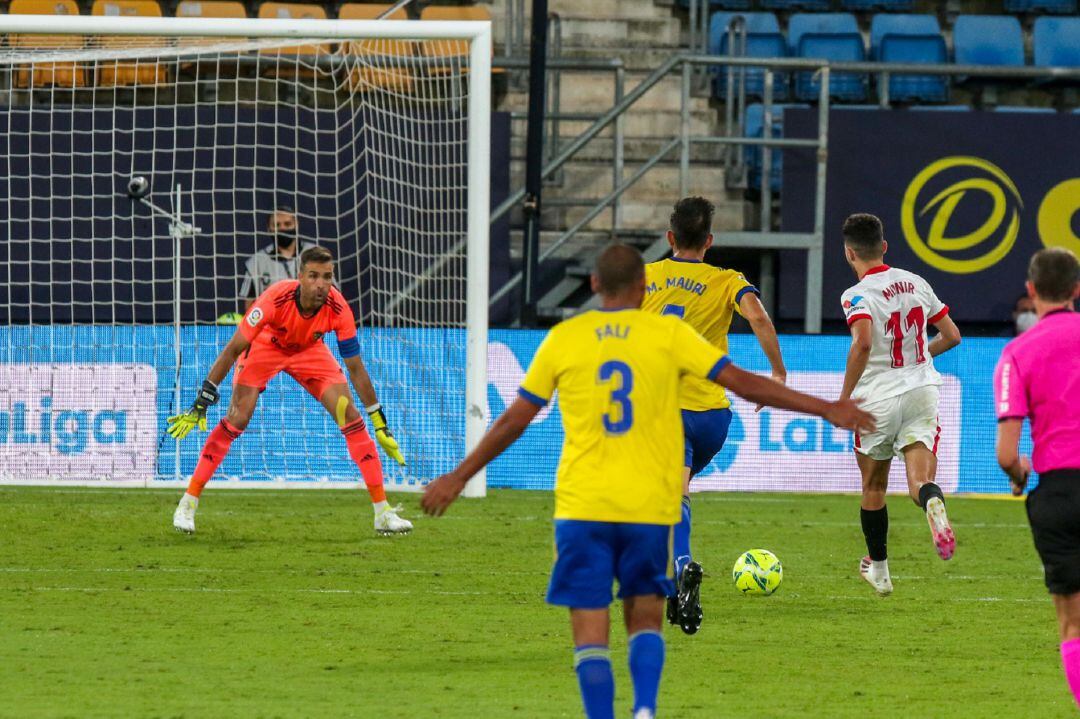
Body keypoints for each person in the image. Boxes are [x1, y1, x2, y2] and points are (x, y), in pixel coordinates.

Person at [420, 244, 875, 719]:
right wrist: (827, 408)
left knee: (591, 633)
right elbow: (743, 383)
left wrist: (458, 476)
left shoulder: (564, 338)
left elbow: (514, 420)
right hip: (648, 506)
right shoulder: (669, 335)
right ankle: (643, 711)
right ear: (642, 289)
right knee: (644, 622)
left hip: (583, 507)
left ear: (594, 286)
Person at [168, 246, 411, 535]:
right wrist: (202, 402)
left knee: (351, 415)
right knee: (238, 418)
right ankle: (188, 503)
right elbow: (233, 349)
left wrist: (379, 420)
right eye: (313, 276)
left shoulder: (338, 308)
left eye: (327, 277)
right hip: (265, 347)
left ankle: (382, 513)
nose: (321, 284)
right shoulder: (275, 297)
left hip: (309, 351)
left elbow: (356, 367)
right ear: (300, 277)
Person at [640, 196, 787, 635]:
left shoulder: (646, 276)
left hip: (662, 410)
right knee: (669, 494)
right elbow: (758, 317)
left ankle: (680, 569)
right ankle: (670, 582)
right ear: (710, 241)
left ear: (669, 238)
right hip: (712, 418)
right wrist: (777, 373)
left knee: (665, 497)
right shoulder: (727, 280)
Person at [837, 213, 962, 596]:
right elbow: (952, 336)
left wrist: (843, 399)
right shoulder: (916, 282)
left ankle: (881, 572)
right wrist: (919, 357)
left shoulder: (855, 295)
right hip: (922, 389)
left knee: (873, 486)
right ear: (884, 246)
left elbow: (862, 343)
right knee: (919, 481)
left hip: (877, 398)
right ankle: (932, 504)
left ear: (848, 253)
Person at [994, 247, 1080, 708]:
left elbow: (1007, 453)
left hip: (1061, 496)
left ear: (1031, 290)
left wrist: (1018, 472)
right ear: (1077, 290)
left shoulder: (1017, 352)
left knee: (1073, 626)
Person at [240, 205, 317, 312]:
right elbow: (249, 306)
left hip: (312, 323)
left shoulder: (316, 255)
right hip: (272, 325)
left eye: (287, 224)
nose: (282, 229)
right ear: (269, 228)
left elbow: (334, 294)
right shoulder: (256, 263)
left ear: (297, 224)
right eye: (277, 225)